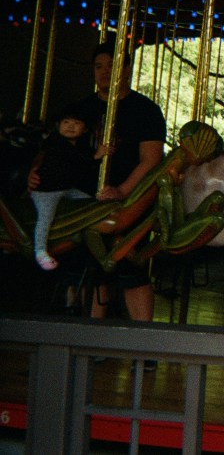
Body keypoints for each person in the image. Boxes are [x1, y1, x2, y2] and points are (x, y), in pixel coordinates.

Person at [31, 40, 166, 326]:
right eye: (99, 67)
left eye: (113, 66)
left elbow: (151, 160)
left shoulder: (146, 111)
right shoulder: (81, 109)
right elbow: (53, 148)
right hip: (85, 198)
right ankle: (91, 338)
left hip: (127, 201)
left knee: (132, 269)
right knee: (86, 267)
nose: (105, 72)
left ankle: (145, 340)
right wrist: (36, 171)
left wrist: (122, 191)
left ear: (127, 69)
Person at [27, 104, 107, 270]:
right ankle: (40, 251)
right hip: (46, 191)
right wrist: (97, 156)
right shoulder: (56, 142)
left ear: (85, 129)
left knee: (89, 202)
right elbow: (79, 161)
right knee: (45, 217)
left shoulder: (76, 147)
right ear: (58, 126)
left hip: (64, 188)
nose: (71, 126)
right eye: (66, 122)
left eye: (77, 123)